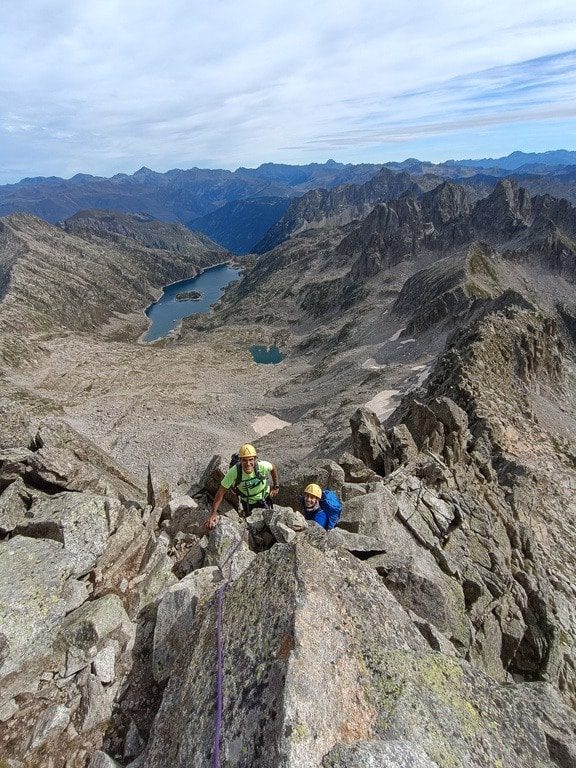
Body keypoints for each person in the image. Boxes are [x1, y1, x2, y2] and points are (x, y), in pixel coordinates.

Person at [206, 443, 279, 529]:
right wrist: (213, 513)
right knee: (252, 527)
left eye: (250, 459)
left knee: (268, 525)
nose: (248, 463)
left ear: (255, 459)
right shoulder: (234, 472)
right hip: (248, 503)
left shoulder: (262, 466)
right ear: (240, 460)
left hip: (264, 499)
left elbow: (273, 467)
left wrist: (276, 486)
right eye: (244, 460)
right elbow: (221, 492)